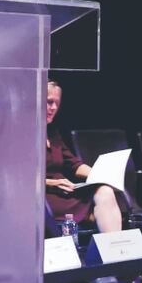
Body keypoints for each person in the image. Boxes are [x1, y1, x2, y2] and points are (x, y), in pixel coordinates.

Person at [45, 81, 122, 233]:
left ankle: (113, 249)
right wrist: (52, 183)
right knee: (96, 210)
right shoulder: (22, 133)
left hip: (64, 191)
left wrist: (99, 174)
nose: (53, 108)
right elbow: (19, 179)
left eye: (57, 103)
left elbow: (73, 164)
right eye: (49, 102)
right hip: (43, 197)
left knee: (105, 190)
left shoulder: (53, 133)